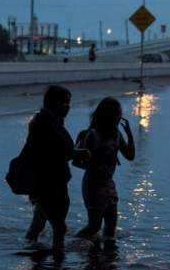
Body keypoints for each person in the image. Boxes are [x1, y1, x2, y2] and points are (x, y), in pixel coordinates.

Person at [24, 85, 89, 255]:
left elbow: (59, 150)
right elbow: (57, 152)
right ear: (56, 103)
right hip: (48, 182)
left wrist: (75, 152)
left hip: (49, 180)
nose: (69, 107)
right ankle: (58, 263)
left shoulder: (49, 121)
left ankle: (32, 258)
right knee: (60, 227)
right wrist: (78, 152)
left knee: (38, 225)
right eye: (66, 103)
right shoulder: (46, 123)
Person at [76, 97, 135, 239]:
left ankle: (108, 258)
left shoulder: (116, 134)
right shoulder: (93, 135)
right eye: (118, 113)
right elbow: (79, 162)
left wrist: (129, 134)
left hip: (108, 184)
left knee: (111, 226)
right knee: (94, 226)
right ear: (110, 115)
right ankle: (71, 244)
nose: (120, 115)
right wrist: (96, 161)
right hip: (93, 185)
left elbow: (130, 156)